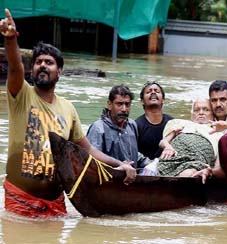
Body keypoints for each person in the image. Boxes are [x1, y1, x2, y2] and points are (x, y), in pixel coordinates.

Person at [0, 9, 134, 218]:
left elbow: (87, 149)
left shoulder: (68, 108)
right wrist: (10, 39)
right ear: (31, 69)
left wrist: (119, 164)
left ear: (60, 71)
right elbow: (15, 67)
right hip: (21, 199)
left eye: (49, 62)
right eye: (38, 62)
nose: (43, 65)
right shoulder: (21, 95)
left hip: (56, 203)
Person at [155, 99, 223, 177]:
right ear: (192, 114)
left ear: (213, 114)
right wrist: (168, 147)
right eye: (196, 110)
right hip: (175, 155)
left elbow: (218, 165)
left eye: (206, 110)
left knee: (188, 173)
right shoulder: (180, 124)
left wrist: (210, 170)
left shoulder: (219, 134)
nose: (201, 113)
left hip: (197, 160)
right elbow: (163, 142)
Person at [87, 85, 150, 168]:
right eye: (119, 104)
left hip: (132, 177)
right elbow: (91, 162)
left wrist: (150, 163)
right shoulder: (98, 129)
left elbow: (133, 154)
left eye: (127, 104)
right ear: (109, 104)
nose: (124, 109)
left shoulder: (132, 125)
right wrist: (119, 167)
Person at [135, 81, 173, 159]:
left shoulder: (172, 123)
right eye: (149, 91)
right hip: (144, 167)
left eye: (157, 91)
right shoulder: (136, 126)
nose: (153, 92)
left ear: (163, 100)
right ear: (142, 101)